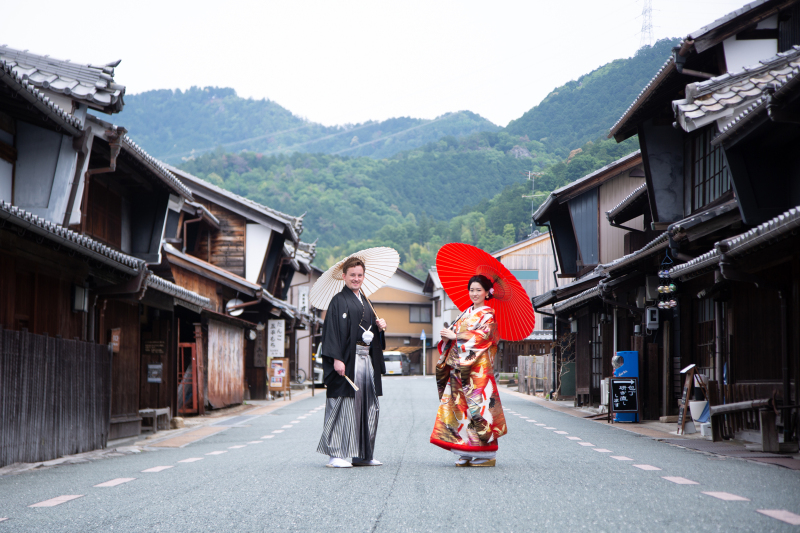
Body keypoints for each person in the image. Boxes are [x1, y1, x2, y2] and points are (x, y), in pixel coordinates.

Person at [317, 257, 387, 468]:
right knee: (342, 404)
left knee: (366, 405)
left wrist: (379, 328)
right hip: (347, 360)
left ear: (364, 277)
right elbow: (331, 332)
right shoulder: (338, 301)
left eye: (359, 275)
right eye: (352, 275)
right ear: (344, 276)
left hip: (366, 360)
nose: (356, 279)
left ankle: (363, 454)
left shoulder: (366, 301)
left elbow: (371, 334)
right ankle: (336, 454)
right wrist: (337, 359)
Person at [430, 274, 507, 467]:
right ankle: (464, 450)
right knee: (459, 409)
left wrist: (456, 336)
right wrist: (447, 338)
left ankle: (486, 454)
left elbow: (483, 337)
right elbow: (454, 335)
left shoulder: (488, 315)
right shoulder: (465, 313)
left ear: (487, 293)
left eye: (478, 290)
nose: (474, 293)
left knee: (479, 411)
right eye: (471, 290)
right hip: (458, 368)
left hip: (476, 372)